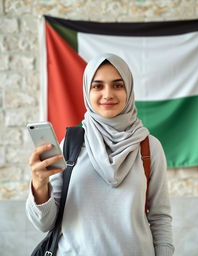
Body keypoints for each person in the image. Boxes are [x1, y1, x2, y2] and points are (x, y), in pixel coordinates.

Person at [26, 53, 175, 256]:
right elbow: (45, 223)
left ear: (129, 90)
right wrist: (39, 185)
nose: (108, 94)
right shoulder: (71, 143)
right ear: (87, 91)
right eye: (98, 86)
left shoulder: (149, 147)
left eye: (117, 85)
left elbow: (160, 217)